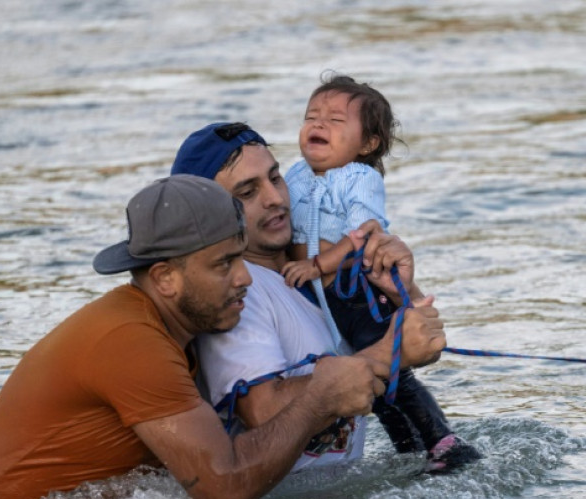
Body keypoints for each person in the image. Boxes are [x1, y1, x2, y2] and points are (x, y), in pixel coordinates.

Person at [0, 175, 443, 499]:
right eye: (223, 265)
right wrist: (324, 395)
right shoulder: (128, 343)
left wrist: (393, 310)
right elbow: (226, 491)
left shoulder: (176, 334)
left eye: (242, 258)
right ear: (165, 278)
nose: (244, 280)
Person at [170, 117, 479, 473]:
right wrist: (386, 351)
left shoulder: (319, 266)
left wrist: (402, 293)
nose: (276, 199)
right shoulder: (236, 293)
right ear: (205, 216)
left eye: (274, 177)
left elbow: (422, 353)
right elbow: (262, 412)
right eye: (246, 193)